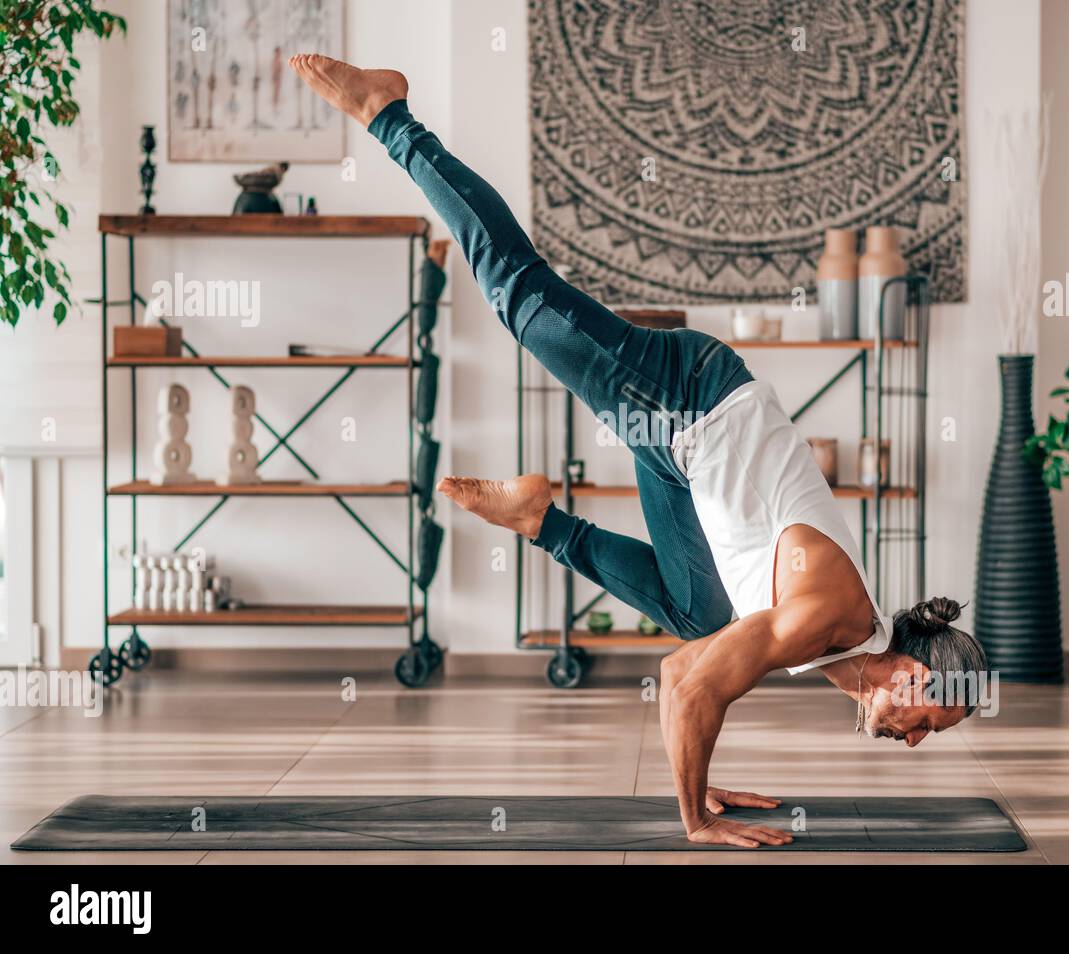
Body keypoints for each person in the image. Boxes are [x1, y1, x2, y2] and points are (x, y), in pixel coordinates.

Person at [289, 54, 989, 849]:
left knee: (701, 612)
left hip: (690, 450)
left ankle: (539, 518)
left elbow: (701, 665)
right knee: (518, 294)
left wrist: (701, 763)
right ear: (915, 677)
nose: (920, 738)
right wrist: (695, 817)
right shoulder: (827, 618)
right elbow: (685, 683)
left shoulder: (846, 647)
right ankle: (392, 117)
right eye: (931, 721)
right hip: (688, 400)